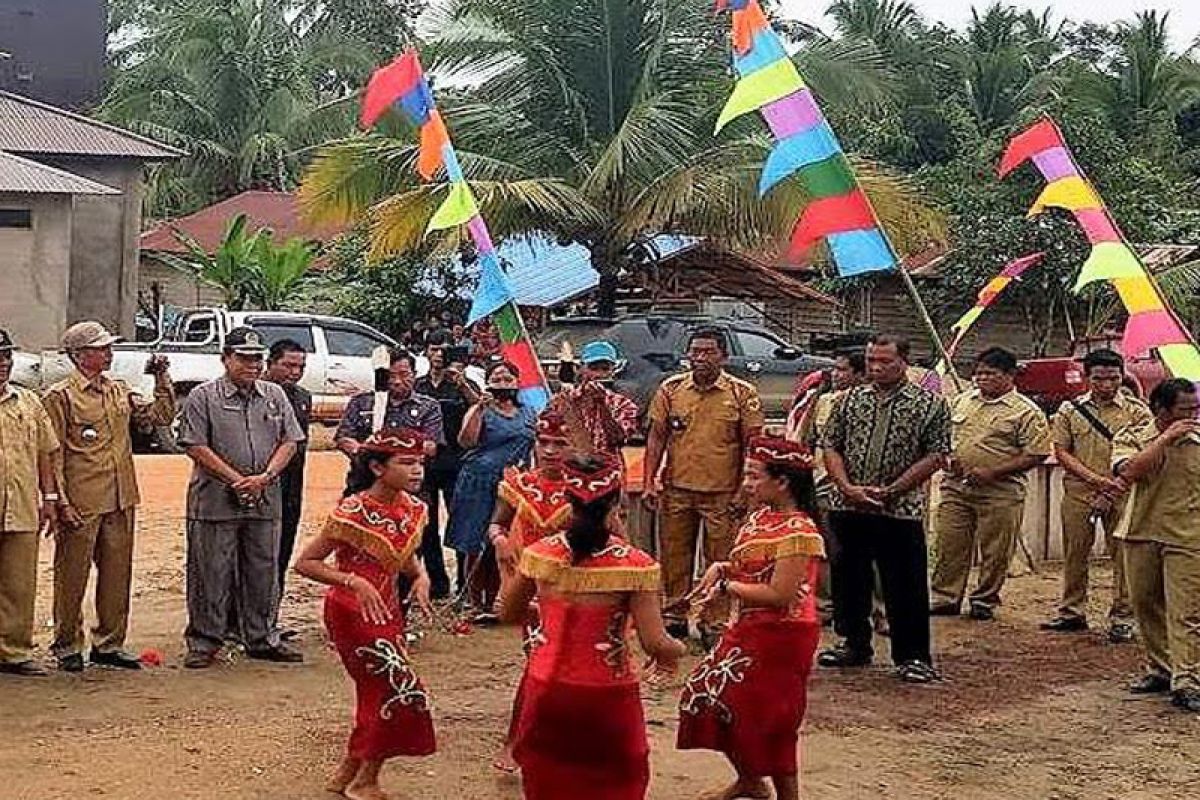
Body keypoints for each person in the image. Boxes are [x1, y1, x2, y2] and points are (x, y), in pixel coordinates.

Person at [500, 454, 685, 800]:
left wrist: (549, 613)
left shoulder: (540, 554)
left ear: (567, 501)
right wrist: (679, 651)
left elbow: (509, 612)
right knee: (615, 778)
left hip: (546, 686)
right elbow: (655, 642)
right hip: (607, 691)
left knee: (548, 777)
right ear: (616, 503)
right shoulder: (635, 565)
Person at [677, 437, 825, 800]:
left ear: (783, 482)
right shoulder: (761, 517)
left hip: (782, 635)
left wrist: (728, 586)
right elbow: (752, 569)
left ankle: (783, 794)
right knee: (706, 698)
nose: (746, 484)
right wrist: (720, 568)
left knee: (771, 719)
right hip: (748, 629)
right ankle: (750, 781)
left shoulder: (800, 531)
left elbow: (780, 595)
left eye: (754, 476)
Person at [293, 428, 437, 798]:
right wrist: (352, 581)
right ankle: (364, 779)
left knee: (377, 692)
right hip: (352, 611)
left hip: (387, 609)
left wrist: (419, 576)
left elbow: (404, 557)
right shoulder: (352, 511)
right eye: (406, 463)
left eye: (419, 462)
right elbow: (306, 563)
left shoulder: (413, 507)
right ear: (377, 467)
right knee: (400, 690)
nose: (417, 470)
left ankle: (348, 774)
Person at [41, 321, 174, 673]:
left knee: (118, 573)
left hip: (120, 495)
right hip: (82, 498)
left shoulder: (118, 390)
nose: (108, 352)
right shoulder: (61, 396)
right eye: (101, 348)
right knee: (72, 574)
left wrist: (162, 379)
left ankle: (109, 643)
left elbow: (159, 417)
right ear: (79, 355)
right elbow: (52, 452)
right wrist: (60, 500)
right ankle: (67, 644)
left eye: (108, 347)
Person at [819, 335, 950, 684]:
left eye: (884, 361)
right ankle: (853, 643)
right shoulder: (848, 401)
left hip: (899, 509)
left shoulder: (930, 405)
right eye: (871, 360)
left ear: (903, 361)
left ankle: (913, 656)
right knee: (848, 578)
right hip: (848, 504)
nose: (876, 367)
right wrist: (846, 487)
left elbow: (936, 454)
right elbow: (831, 444)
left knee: (904, 582)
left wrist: (893, 490)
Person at [177, 326, 306, 669]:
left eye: (257, 359)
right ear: (225, 359)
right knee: (210, 571)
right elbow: (194, 445)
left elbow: (290, 440)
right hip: (215, 500)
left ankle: (262, 637)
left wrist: (265, 477)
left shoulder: (275, 396)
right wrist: (236, 479)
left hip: (265, 497)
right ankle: (204, 642)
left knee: (263, 569)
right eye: (244, 358)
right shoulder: (203, 396)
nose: (252, 365)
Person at [644, 327, 764, 641]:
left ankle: (714, 620)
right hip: (676, 489)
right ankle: (674, 614)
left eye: (708, 351)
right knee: (674, 556)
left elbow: (753, 445)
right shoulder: (670, 390)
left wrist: (745, 490)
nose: (700, 358)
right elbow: (656, 438)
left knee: (721, 560)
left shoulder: (742, 394)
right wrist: (648, 482)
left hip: (723, 493)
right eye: (695, 351)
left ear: (723, 356)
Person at [931, 347, 1051, 621]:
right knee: (949, 543)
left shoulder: (1026, 412)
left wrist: (994, 472)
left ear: (1009, 376)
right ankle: (945, 597)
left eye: (990, 374)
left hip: (1000, 491)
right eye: (979, 373)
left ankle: (984, 600)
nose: (982, 378)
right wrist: (948, 459)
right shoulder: (962, 402)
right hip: (956, 486)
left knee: (995, 550)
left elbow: (1036, 453)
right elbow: (945, 436)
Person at [1041, 349, 1151, 641]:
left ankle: (1123, 617)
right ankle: (1072, 612)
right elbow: (1062, 451)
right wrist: (1095, 480)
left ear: (1121, 377)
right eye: (1099, 378)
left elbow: (1143, 454)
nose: (1106, 385)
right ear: (1087, 378)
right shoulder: (1069, 410)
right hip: (1079, 492)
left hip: (1124, 494)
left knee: (1123, 558)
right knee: (1075, 554)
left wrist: (1114, 484)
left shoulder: (1137, 411)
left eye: (1113, 378)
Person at [487, 411, 573, 774]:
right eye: (544, 443)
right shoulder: (519, 485)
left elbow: (616, 536)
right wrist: (500, 540)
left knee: (570, 669)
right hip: (533, 591)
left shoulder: (587, 487)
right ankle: (515, 741)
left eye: (559, 444)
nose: (550, 451)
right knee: (539, 665)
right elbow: (496, 522)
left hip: (576, 590)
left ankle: (558, 742)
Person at [1112, 378, 1200, 713]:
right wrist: (1166, 439)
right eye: (1184, 409)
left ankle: (1187, 681)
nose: (1192, 415)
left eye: (1196, 408)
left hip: (1189, 536)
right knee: (1144, 603)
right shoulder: (1132, 436)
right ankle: (1160, 669)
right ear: (1160, 410)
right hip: (1141, 531)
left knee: (1187, 611)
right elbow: (1131, 471)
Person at [447, 360, 538, 618]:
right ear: (488, 383)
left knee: (506, 540)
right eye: (496, 378)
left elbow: (536, 445)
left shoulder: (529, 412)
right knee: (474, 540)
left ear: (517, 383)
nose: (502, 382)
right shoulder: (482, 410)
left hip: (512, 484)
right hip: (478, 481)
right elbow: (466, 441)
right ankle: (475, 602)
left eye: (508, 378)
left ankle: (499, 599)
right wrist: (477, 407)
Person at [0, 327, 60, 677]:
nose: (3, 363)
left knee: (18, 584)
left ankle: (14, 651)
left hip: (21, 507)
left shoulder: (28, 402)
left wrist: (49, 497)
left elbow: (45, 453)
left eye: (6, 356)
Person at [413, 342, 480, 599]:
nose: (439, 355)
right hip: (426, 465)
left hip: (458, 463)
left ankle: (464, 584)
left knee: (461, 521)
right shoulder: (418, 385)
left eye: (444, 350)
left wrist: (462, 383)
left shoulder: (466, 384)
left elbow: (481, 408)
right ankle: (437, 583)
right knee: (426, 525)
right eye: (433, 349)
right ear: (426, 353)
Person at [335, 348, 443, 466]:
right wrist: (362, 452)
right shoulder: (361, 403)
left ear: (414, 375)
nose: (397, 381)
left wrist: (397, 457)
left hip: (408, 475)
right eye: (390, 376)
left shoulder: (428, 407)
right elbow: (343, 438)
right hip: (366, 475)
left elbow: (431, 446)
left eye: (404, 374)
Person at [264, 339, 312, 595]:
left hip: (291, 489)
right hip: (261, 486)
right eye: (288, 365)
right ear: (270, 363)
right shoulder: (256, 393)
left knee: (283, 551)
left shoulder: (303, 397)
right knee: (256, 557)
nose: (295, 372)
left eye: (300, 366)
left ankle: (271, 619)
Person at [548, 340, 639, 461]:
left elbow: (618, 439)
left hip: (607, 470)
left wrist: (602, 406)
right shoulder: (565, 399)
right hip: (570, 468)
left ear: (613, 371)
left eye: (605, 369)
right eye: (593, 368)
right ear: (581, 368)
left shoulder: (624, 405)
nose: (599, 374)